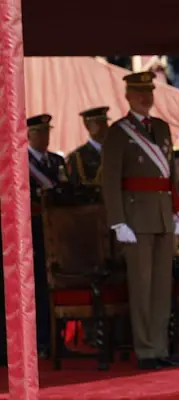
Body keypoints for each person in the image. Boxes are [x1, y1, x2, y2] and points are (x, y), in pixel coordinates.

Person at [102, 72, 179, 370]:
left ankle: (160, 346)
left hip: (163, 214)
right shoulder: (118, 132)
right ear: (128, 96)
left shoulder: (163, 129)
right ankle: (146, 350)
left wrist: (177, 209)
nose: (146, 97)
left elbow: (169, 175)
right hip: (135, 217)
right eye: (139, 92)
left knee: (163, 286)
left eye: (149, 91)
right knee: (141, 286)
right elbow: (110, 181)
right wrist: (117, 221)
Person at [27, 114, 66, 357]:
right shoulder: (21, 162)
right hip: (34, 233)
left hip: (58, 233)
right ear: (28, 136)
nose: (44, 137)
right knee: (38, 287)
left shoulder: (57, 160)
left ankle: (55, 339)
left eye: (47, 132)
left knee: (56, 283)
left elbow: (64, 191)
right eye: (39, 133)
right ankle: (40, 340)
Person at [66, 107, 109, 186]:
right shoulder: (78, 156)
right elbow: (74, 187)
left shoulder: (114, 151)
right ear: (87, 125)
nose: (105, 127)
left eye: (105, 122)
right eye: (98, 123)